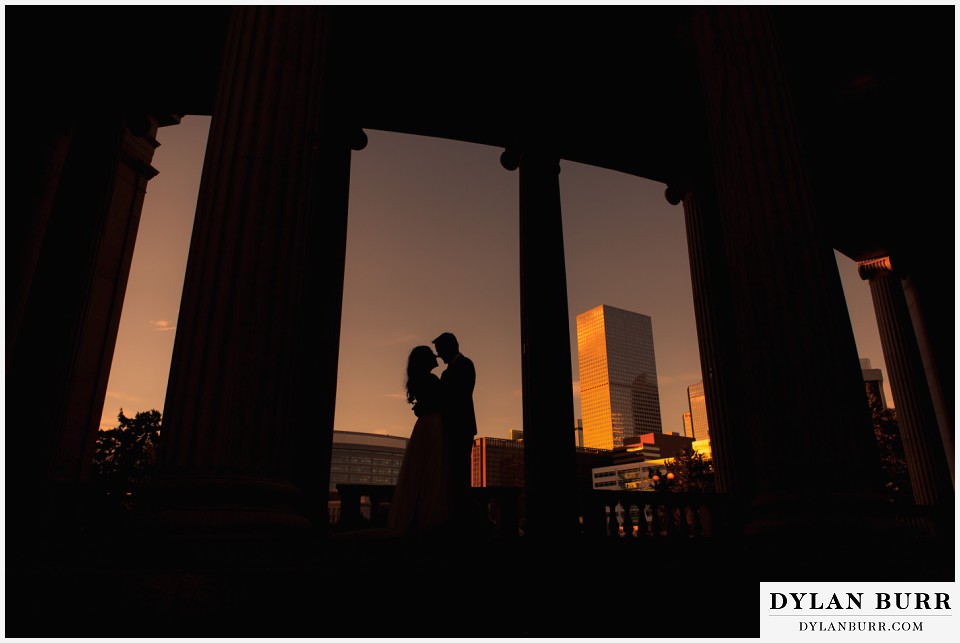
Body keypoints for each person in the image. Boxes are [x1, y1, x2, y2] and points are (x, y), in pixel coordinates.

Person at [387, 346, 452, 535]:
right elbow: (442, 402)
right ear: (425, 360)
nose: (436, 357)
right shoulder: (431, 380)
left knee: (420, 466)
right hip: (433, 424)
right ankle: (430, 516)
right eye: (432, 355)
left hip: (425, 424)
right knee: (433, 466)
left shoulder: (419, 380)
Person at [432, 332, 479, 526]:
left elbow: (460, 395)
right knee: (452, 471)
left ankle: (461, 517)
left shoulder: (465, 365)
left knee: (460, 471)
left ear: (449, 347)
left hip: (461, 427)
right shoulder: (450, 370)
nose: (439, 356)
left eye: (440, 351)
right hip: (452, 427)